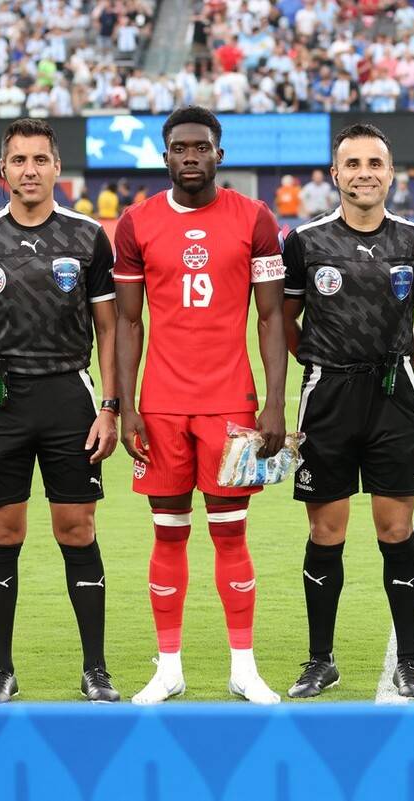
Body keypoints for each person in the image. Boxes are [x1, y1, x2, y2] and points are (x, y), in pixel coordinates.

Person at [114, 105, 288, 705]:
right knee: (167, 534)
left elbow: (271, 316)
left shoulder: (255, 218)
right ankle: (169, 669)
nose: (191, 157)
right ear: (165, 156)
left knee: (230, 535)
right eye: (180, 148)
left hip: (230, 405)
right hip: (161, 406)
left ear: (219, 154)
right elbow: (127, 323)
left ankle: (244, 667)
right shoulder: (136, 224)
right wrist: (127, 407)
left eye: (201, 147)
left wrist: (273, 403)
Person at [0, 118, 121, 703]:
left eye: (39, 159)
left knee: (78, 528)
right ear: (3, 170)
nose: (29, 170)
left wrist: (110, 406)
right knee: (3, 529)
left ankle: (96, 669)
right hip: (1, 400)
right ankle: (1, 671)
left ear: (56, 168)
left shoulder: (88, 236)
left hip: (70, 397)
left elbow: (108, 328)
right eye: (18, 160)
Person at [281, 123, 414, 699]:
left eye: (375, 163)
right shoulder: (305, 242)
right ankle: (320, 660)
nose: (364, 173)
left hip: (394, 398)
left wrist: (399, 364)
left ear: (390, 173)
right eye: (353, 164)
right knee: (326, 530)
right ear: (335, 173)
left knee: (396, 529)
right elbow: (282, 322)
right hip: (327, 396)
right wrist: (323, 365)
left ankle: (410, 661)